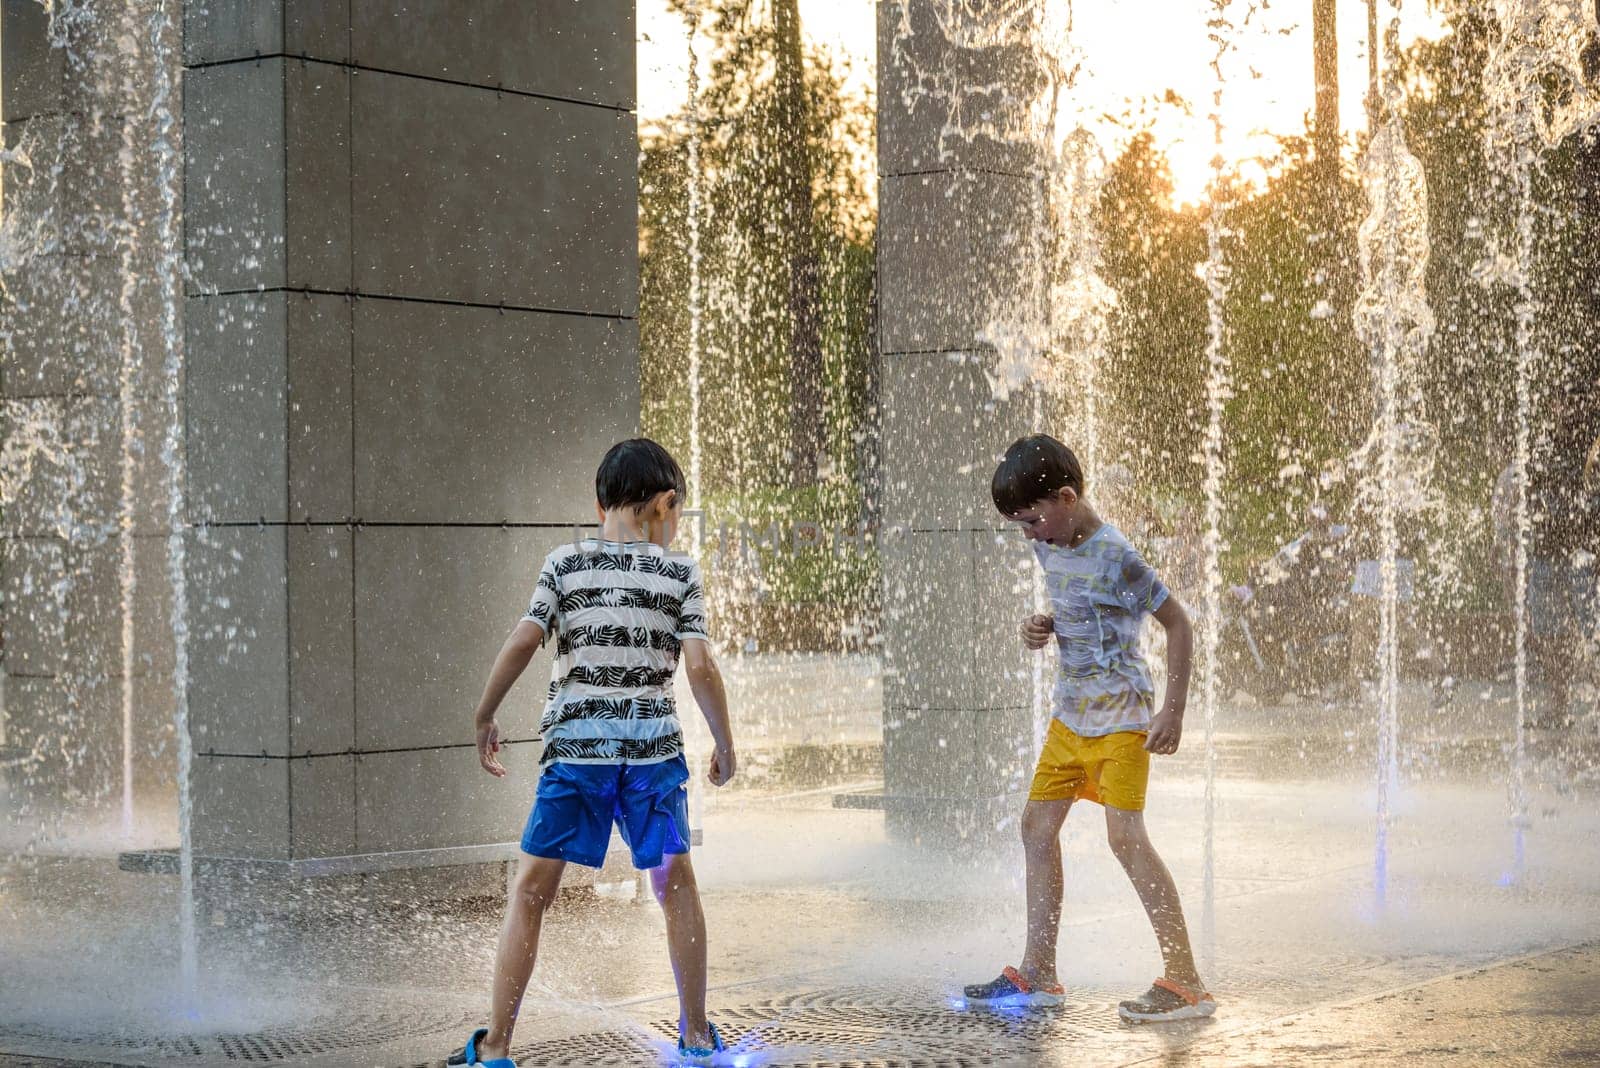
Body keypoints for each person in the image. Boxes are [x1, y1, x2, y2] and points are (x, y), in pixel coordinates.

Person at [451, 439, 737, 1068]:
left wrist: (484, 713)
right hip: (651, 760)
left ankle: (496, 1047)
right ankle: (693, 1034)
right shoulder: (678, 571)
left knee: (530, 893)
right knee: (676, 886)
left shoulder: (564, 563)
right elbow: (699, 665)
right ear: (664, 503)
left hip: (577, 755)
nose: (675, 526)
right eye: (677, 512)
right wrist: (724, 741)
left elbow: (524, 642)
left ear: (599, 502)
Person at [964, 434, 1215, 1024]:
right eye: (1021, 526)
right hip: (1069, 717)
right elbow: (1079, 607)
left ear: (1068, 497)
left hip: (1123, 721)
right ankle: (1039, 972)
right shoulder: (1050, 541)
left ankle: (1186, 981)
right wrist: (1044, 625)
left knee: (1126, 840)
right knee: (1036, 826)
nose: (1029, 535)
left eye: (1032, 521)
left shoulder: (1118, 555)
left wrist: (1172, 711)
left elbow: (1178, 625)